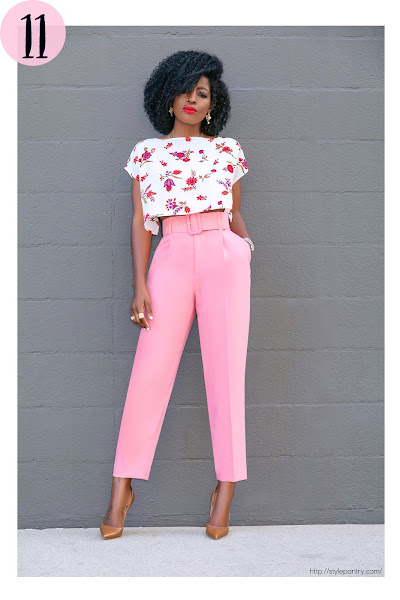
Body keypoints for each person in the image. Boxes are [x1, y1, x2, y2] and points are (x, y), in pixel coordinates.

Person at [100, 50, 254, 541]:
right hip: (170, 252)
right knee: (149, 372)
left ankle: (225, 489)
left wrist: (244, 249)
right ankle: (122, 486)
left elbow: (234, 212)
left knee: (227, 375)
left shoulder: (227, 150)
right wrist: (139, 284)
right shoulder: (146, 153)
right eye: (185, 90)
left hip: (224, 255)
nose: (193, 99)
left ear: (212, 105)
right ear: (168, 98)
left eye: (202, 93)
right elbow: (140, 222)